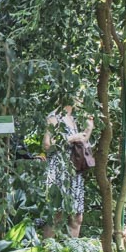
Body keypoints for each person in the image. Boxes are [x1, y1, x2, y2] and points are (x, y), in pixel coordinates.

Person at [43, 99, 93, 238]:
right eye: (78, 95)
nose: (81, 99)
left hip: (74, 171)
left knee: (77, 217)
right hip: (59, 169)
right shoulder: (55, 117)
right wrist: (70, 138)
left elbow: (81, 144)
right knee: (56, 214)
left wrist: (89, 129)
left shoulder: (76, 118)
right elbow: (47, 145)